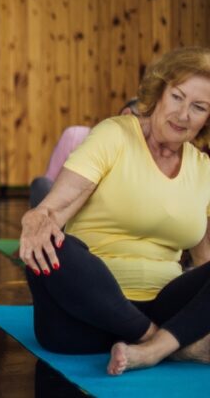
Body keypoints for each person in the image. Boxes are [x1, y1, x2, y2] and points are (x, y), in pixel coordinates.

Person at [19, 46, 210, 376]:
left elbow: (204, 260)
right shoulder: (114, 134)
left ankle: (157, 346)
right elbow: (56, 206)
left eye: (199, 107)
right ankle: (161, 346)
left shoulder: (204, 168)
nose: (183, 115)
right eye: (177, 97)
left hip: (165, 309)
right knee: (56, 244)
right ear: (159, 92)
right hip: (82, 319)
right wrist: (38, 217)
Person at [29, 98, 140, 207]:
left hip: (101, 214)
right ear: (126, 115)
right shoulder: (75, 136)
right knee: (41, 185)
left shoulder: (138, 156)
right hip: (65, 206)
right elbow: (49, 183)